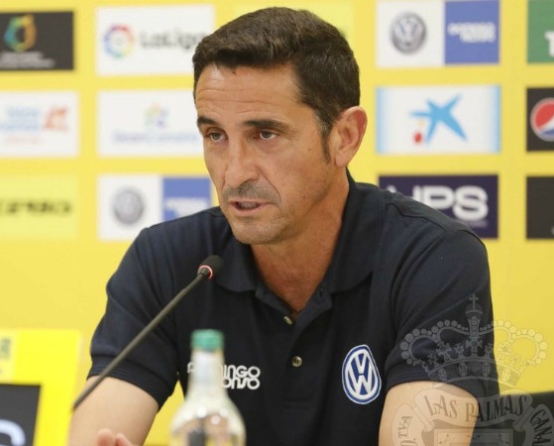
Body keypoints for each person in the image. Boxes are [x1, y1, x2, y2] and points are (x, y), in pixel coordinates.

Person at [68, 7, 496, 446]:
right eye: (215, 135)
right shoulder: (168, 261)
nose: (234, 173)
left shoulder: (433, 258)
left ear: (345, 137)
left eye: (265, 135)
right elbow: (98, 432)